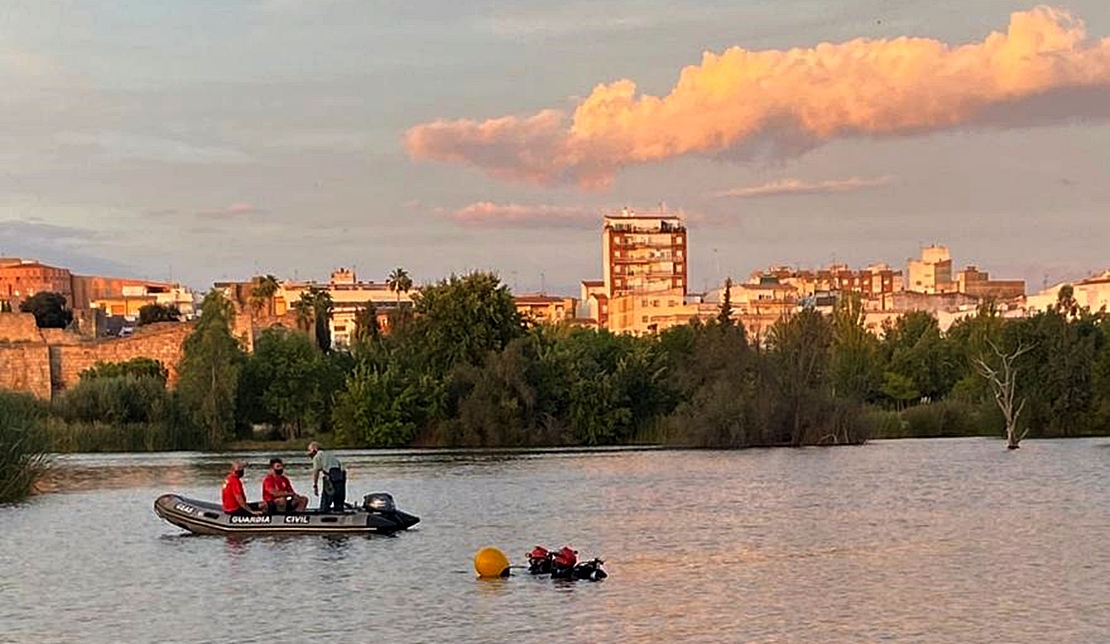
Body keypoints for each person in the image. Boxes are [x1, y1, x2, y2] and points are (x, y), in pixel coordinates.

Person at [307, 441, 346, 512]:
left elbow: (316, 471)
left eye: (309, 450)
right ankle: (339, 512)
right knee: (339, 500)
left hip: (330, 478)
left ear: (315, 448)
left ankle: (323, 512)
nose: (309, 453)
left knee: (326, 500)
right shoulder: (330, 454)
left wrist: (315, 485)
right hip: (340, 477)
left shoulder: (317, 456)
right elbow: (340, 465)